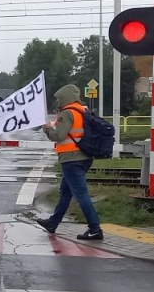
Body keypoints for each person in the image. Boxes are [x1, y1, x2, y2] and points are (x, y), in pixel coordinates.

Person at [37, 84, 104, 240]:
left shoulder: (67, 113)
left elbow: (58, 136)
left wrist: (47, 128)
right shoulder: (82, 110)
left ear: (65, 97)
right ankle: (52, 223)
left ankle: (95, 229)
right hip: (84, 157)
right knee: (65, 193)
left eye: (59, 98)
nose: (57, 101)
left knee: (81, 195)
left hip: (72, 159)